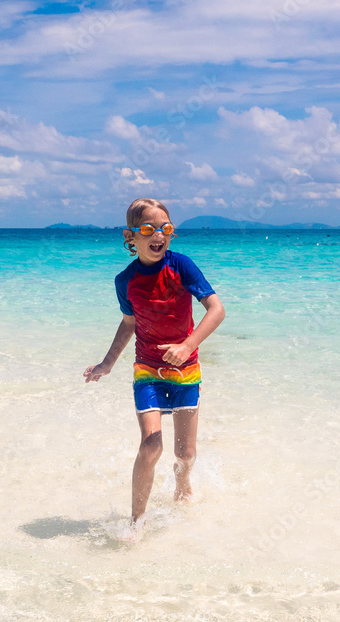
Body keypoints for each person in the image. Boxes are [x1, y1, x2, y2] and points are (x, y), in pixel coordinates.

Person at [84, 197, 225, 540]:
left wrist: (188, 345)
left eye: (166, 228)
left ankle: (183, 482)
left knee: (185, 453)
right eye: (148, 229)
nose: (158, 234)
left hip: (186, 371)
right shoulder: (126, 280)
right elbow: (128, 323)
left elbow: (217, 309)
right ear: (130, 237)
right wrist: (108, 362)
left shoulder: (182, 267)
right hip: (147, 368)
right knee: (151, 445)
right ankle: (136, 521)